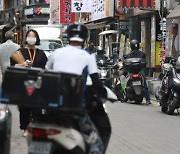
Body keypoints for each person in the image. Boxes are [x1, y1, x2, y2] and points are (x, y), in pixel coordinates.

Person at [46, 23, 107, 154]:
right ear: (84, 39)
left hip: (52, 106)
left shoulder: (56, 53)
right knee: (97, 145)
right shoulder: (88, 55)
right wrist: (103, 94)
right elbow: (96, 81)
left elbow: (46, 73)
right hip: (75, 107)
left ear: (68, 37)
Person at [11, 29, 47, 137]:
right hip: (23, 82)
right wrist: (22, 65)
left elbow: (46, 68)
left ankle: (37, 127)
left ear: (37, 39)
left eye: (33, 36)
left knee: (37, 107)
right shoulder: (20, 52)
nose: (31, 38)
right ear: (26, 38)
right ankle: (25, 128)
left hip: (38, 82)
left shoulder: (41, 53)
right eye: (29, 36)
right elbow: (12, 66)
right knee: (24, 107)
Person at [126, 39, 151, 104]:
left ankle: (126, 95)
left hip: (132, 72)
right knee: (145, 85)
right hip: (140, 71)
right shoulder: (142, 54)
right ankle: (148, 99)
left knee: (127, 80)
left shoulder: (129, 55)